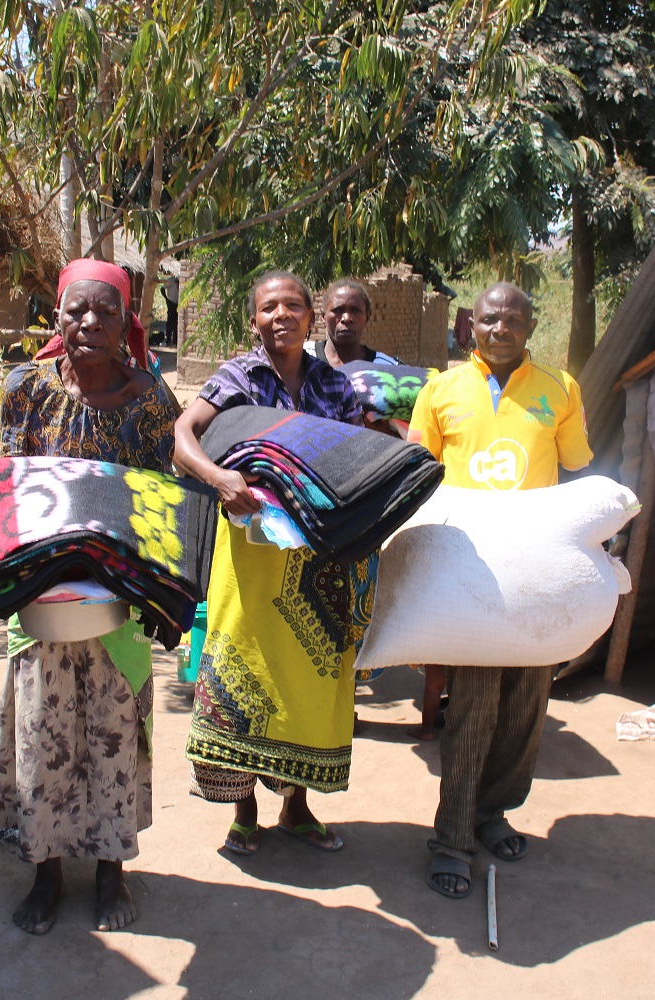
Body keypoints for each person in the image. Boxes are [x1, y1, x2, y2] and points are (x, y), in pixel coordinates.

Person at [0, 258, 179, 936]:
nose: (90, 322)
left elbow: (163, 508)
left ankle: (110, 872)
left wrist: (149, 591)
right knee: (43, 736)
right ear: (58, 319)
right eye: (77, 311)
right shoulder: (27, 389)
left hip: (116, 605)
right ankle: (45, 872)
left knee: (113, 737)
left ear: (128, 323)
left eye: (105, 312)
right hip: (43, 596)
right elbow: (8, 485)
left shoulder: (151, 402)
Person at [407, 281, 592, 898]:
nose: (501, 328)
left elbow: (576, 474)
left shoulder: (560, 391)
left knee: (525, 707)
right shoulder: (441, 390)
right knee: (472, 707)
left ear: (530, 325)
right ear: (471, 326)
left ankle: (493, 812)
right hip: (470, 572)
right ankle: (452, 838)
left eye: (513, 319)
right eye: (490, 319)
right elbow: (417, 473)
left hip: (537, 573)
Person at [174, 271, 367, 856]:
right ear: (253, 321)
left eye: (292, 305)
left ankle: (297, 809)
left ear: (311, 317)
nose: (280, 315)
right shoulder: (237, 376)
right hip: (249, 556)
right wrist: (219, 476)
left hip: (315, 558)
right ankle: (243, 812)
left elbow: (357, 458)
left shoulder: (335, 387)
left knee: (305, 677)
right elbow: (183, 435)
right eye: (267, 307)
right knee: (242, 673)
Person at [306, 278, 401, 368]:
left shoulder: (386, 368)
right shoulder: (301, 359)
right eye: (338, 310)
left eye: (355, 311)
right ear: (324, 316)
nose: (346, 318)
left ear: (367, 317)